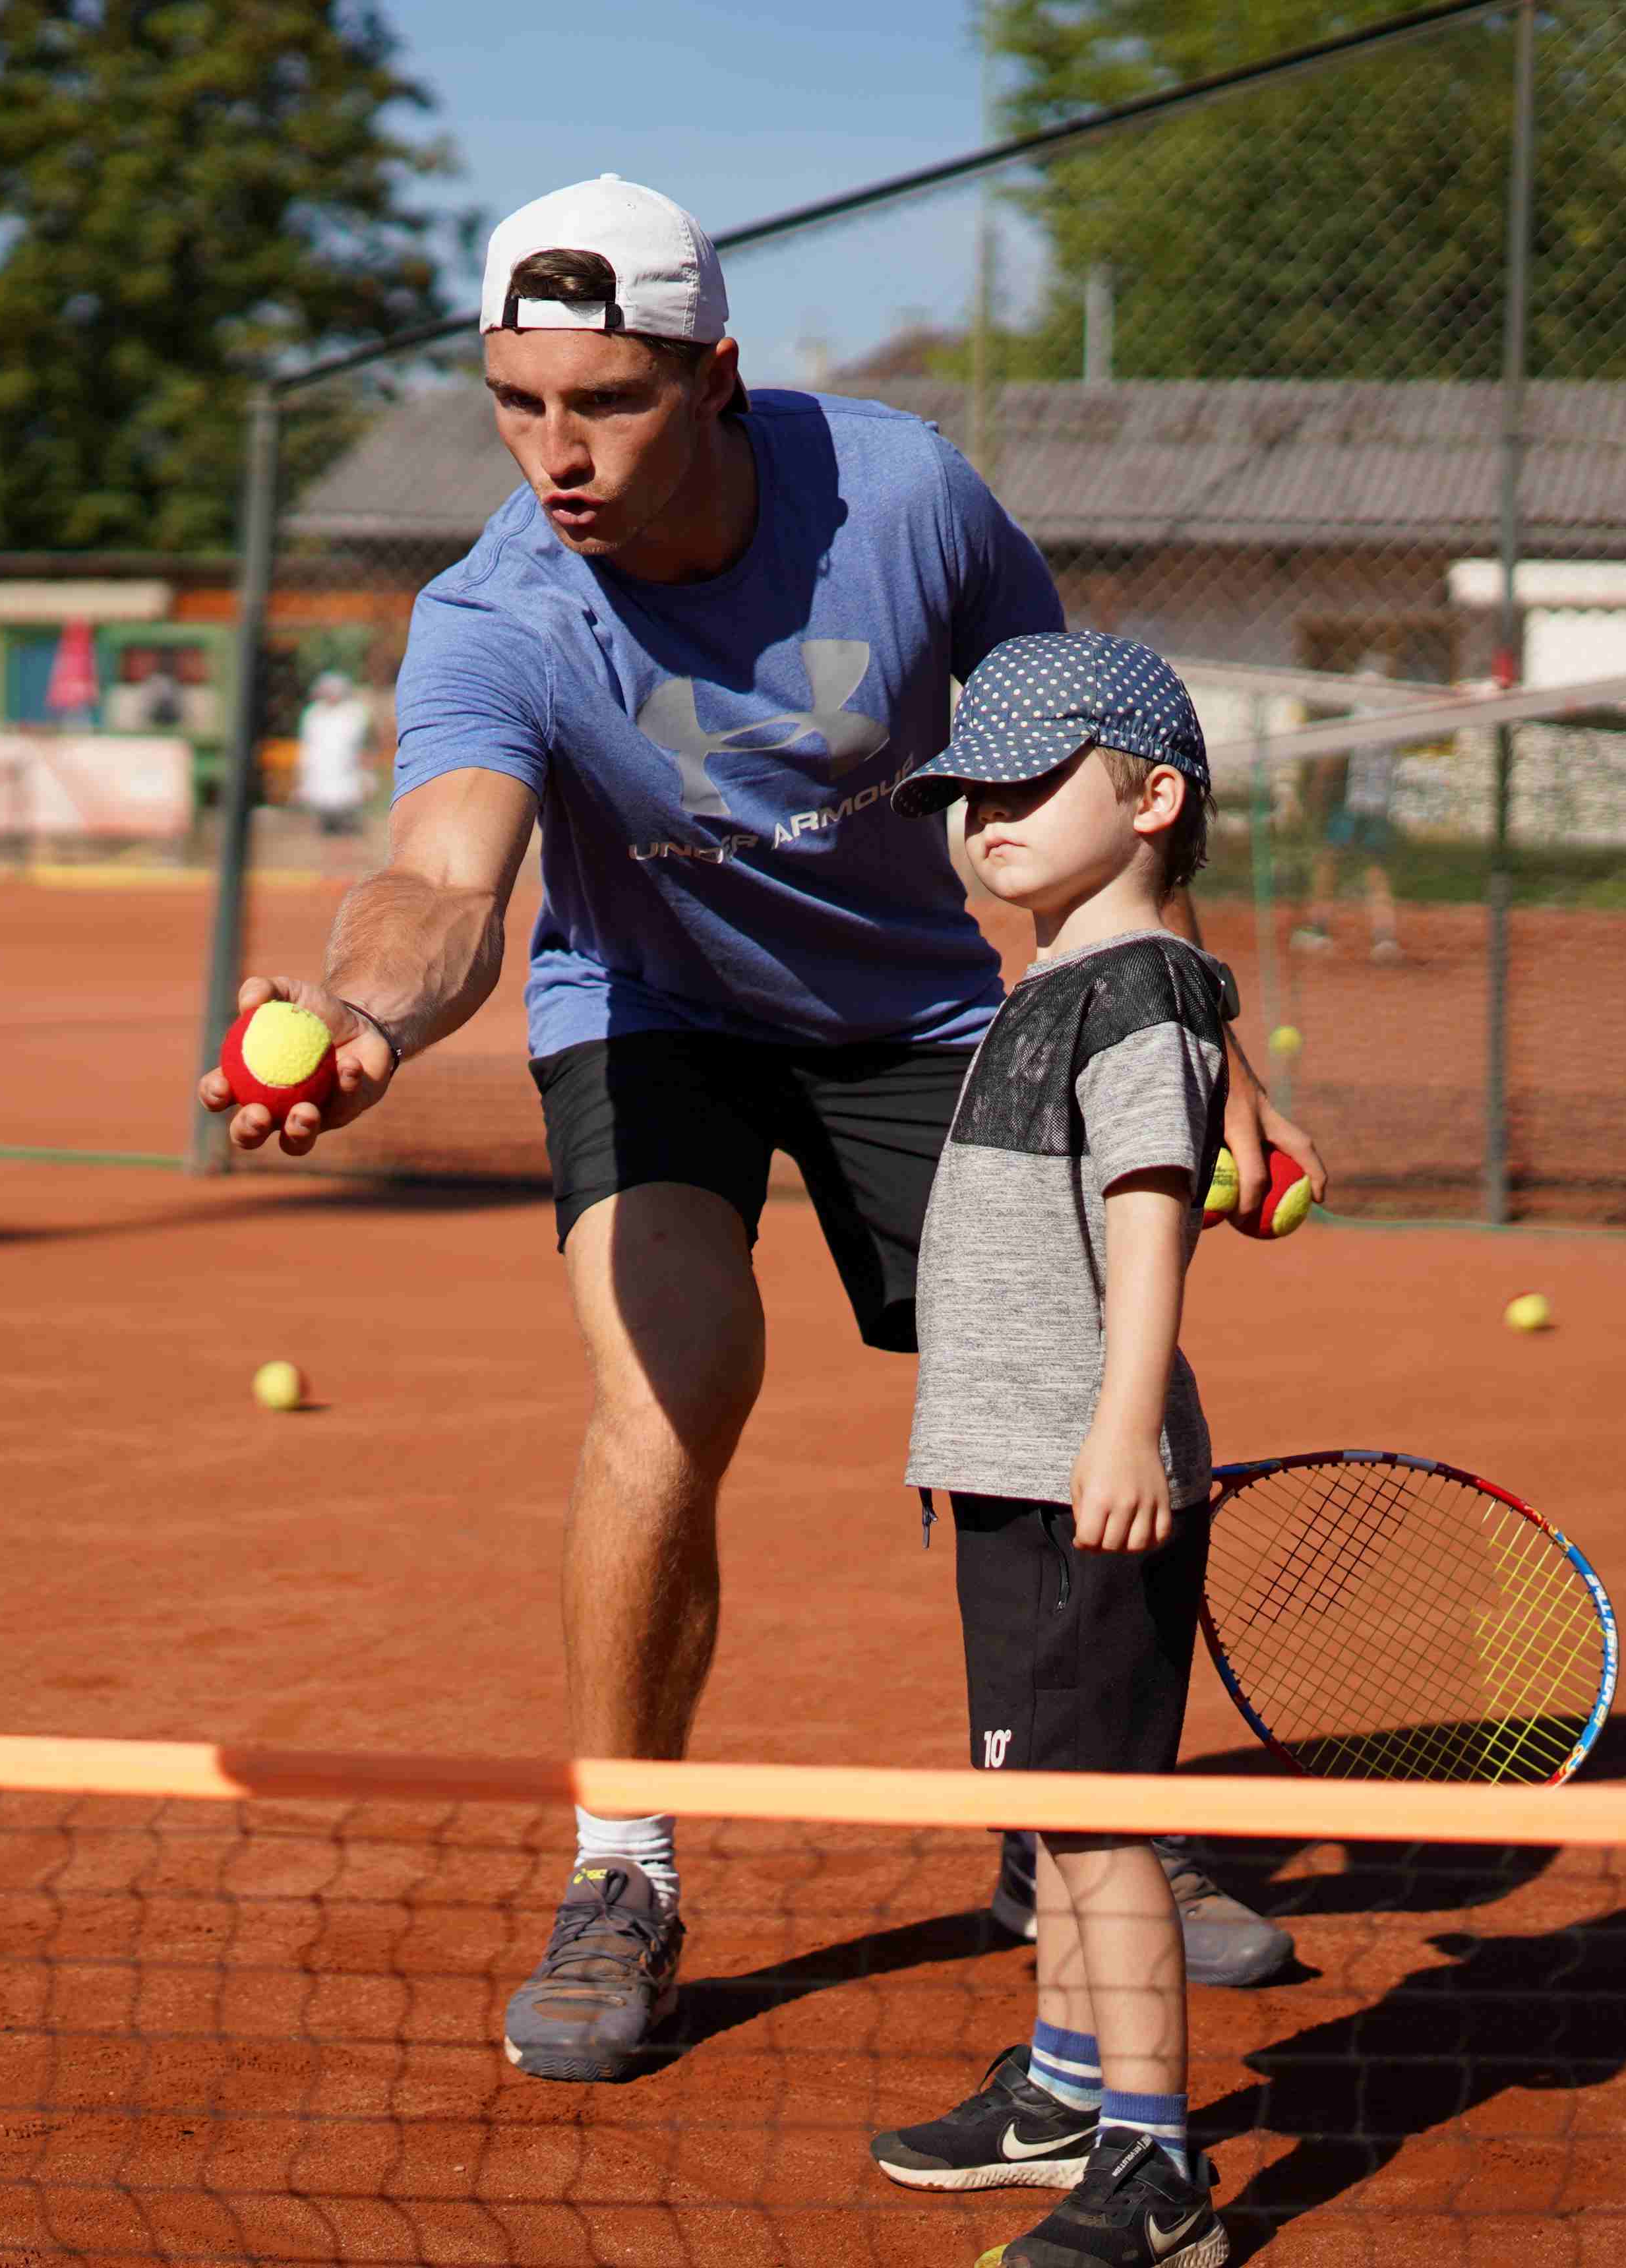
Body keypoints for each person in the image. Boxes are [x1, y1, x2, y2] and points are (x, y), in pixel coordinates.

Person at [193, 175, 1317, 2081]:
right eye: (518, 401)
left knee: (1094, 1392)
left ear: (714, 376)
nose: (557, 453)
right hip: (651, 1015)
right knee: (667, 1390)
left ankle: (1078, 1833)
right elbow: (444, 881)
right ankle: (618, 1866)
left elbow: (1099, 769)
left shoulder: (907, 499)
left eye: (607, 402)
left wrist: (1188, 1030)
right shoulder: (496, 614)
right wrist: (366, 1011)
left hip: (923, 1007)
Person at [862, 633, 1234, 2268]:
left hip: (1089, 1471)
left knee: (1098, 1817)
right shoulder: (1053, 987)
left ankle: (1158, 2165)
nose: (985, 815)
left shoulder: (1143, 992)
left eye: (1027, 781)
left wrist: (1121, 1426)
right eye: (968, 791)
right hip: (1015, 1467)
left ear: (1152, 797)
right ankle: (1071, 2092)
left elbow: (1153, 1223)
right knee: (1050, 1812)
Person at [1295, 652, 1405, 965]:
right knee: (1376, 870)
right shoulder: (1392, 720)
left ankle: (1319, 930)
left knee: (1328, 861)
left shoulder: (1355, 717)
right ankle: (1385, 938)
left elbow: (1332, 762)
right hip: (1379, 803)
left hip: (1350, 801)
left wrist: (1316, 793)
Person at [294, 671, 375, 841]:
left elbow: (362, 746)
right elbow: (309, 747)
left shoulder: (354, 713)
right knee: (325, 814)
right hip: (320, 770)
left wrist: (366, 774)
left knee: (346, 813)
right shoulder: (313, 714)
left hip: (347, 771)